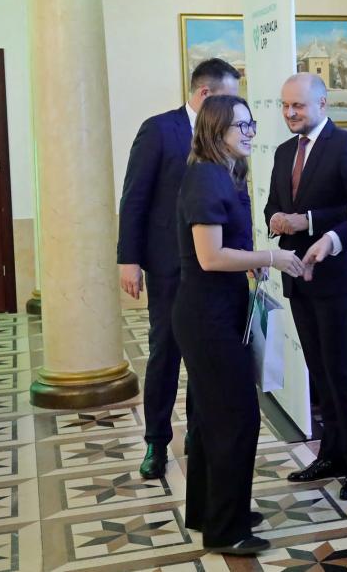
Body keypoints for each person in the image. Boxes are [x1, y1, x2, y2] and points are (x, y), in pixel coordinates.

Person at [172, 94, 304, 555]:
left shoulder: (218, 173)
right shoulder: (208, 177)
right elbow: (210, 257)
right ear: (215, 131)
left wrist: (253, 260)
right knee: (235, 419)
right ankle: (226, 530)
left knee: (212, 419)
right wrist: (271, 257)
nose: (249, 133)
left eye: (251, 125)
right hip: (206, 316)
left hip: (214, 310)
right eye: (240, 126)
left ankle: (209, 511)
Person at [117, 59, 241, 480]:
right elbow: (135, 196)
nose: (235, 110)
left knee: (203, 354)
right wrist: (129, 259)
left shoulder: (226, 137)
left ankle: (197, 433)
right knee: (165, 352)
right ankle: (156, 440)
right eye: (228, 98)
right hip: (169, 264)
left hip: (213, 268)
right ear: (205, 94)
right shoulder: (159, 130)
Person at [264, 73, 347, 502]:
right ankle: (331, 456)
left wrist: (308, 221)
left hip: (336, 281)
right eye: (285, 105)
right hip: (298, 281)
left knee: (342, 374)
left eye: (299, 105)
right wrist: (276, 218)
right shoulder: (282, 152)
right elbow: (274, 206)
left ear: (323, 104)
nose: (290, 113)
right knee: (320, 374)